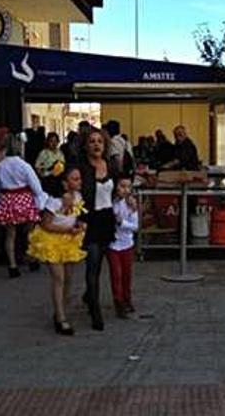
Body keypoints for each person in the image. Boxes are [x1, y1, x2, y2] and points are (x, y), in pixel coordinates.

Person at [27, 166, 86, 335]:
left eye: (79, 178)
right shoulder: (55, 201)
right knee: (58, 278)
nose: (79, 182)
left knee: (68, 278)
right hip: (51, 240)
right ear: (65, 184)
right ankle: (60, 317)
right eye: (75, 179)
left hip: (69, 241)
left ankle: (62, 309)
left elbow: (75, 216)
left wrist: (79, 225)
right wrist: (67, 230)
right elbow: (46, 223)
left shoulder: (78, 197)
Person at [0, 132, 48, 278]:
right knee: (30, 232)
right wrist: (41, 201)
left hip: (7, 200)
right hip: (25, 200)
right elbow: (36, 186)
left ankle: (12, 265)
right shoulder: (24, 165)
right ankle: (32, 258)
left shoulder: (0, 166)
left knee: (10, 235)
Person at [79, 128, 118, 331]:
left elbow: (118, 190)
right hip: (90, 219)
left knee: (100, 263)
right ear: (86, 145)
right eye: (92, 141)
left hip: (107, 219)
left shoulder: (111, 166)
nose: (96, 145)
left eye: (99, 142)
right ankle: (95, 312)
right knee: (92, 265)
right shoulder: (81, 168)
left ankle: (88, 295)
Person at [107, 178, 139, 319]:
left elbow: (135, 226)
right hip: (113, 244)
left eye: (128, 187)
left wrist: (122, 222)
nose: (125, 190)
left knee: (127, 273)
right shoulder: (110, 202)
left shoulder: (131, 205)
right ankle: (118, 301)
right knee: (116, 274)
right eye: (122, 186)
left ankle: (127, 298)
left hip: (127, 243)